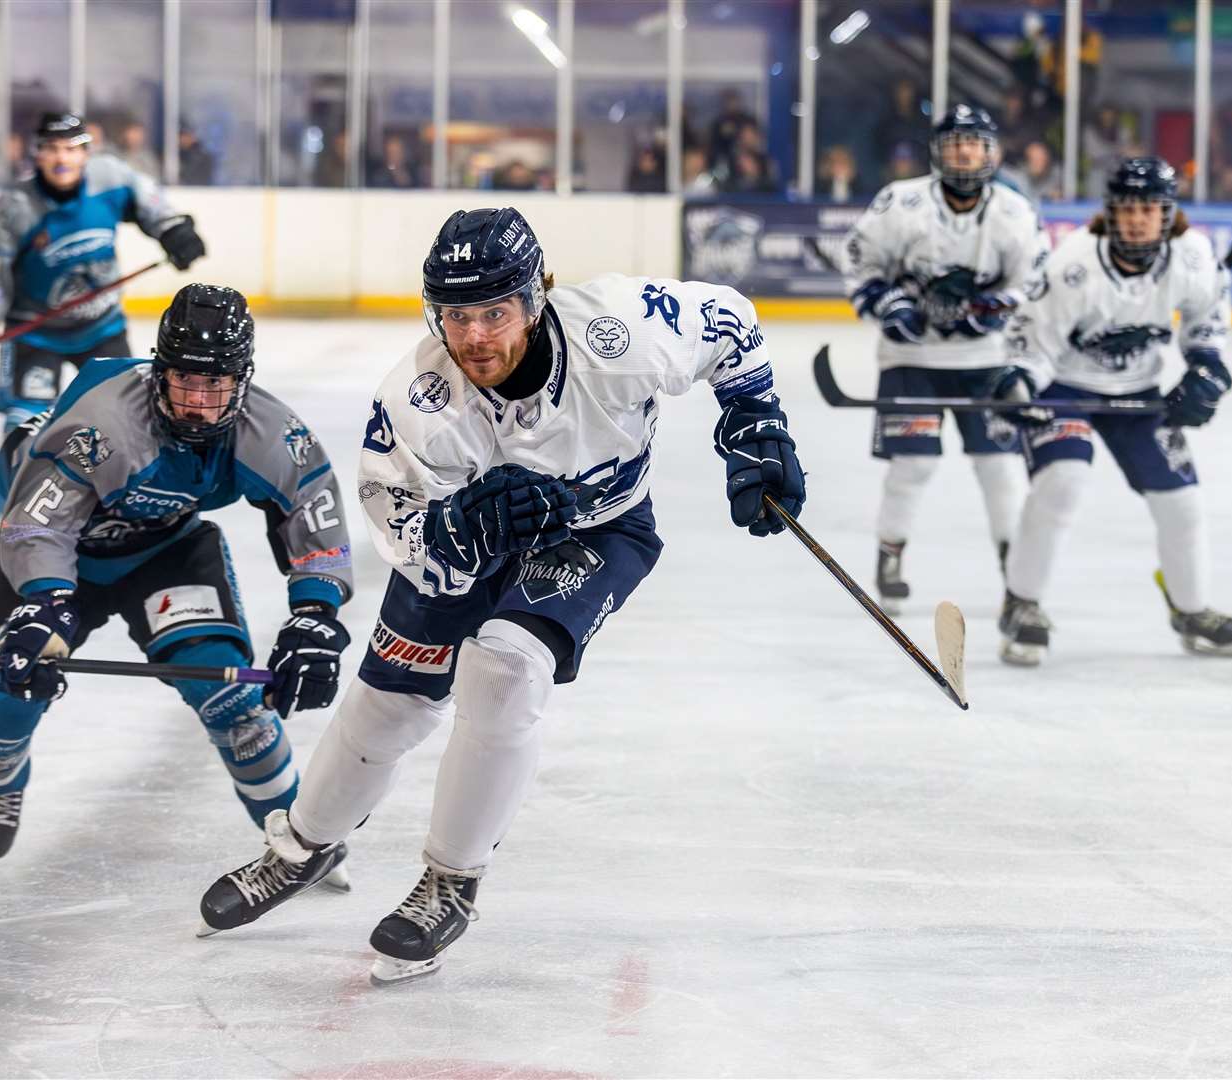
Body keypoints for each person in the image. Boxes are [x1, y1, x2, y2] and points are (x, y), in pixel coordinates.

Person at [198, 206, 807, 984]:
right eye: (456, 314)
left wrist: (754, 420)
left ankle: (450, 881)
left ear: (537, 294)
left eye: (496, 309)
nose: (477, 336)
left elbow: (730, 320)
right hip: (473, 547)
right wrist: (458, 531)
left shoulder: (621, 332)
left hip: (601, 531)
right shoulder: (417, 403)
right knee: (391, 703)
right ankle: (301, 849)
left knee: (506, 669)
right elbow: (404, 533)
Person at [0, 284, 357, 866]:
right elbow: (37, 527)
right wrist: (44, 602)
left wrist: (316, 613)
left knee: (235, 706)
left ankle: (302, 840)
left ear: (241, 380)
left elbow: (309, 506)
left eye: (214, 385)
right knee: (0, 710)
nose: (198, 403)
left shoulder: (271, 430)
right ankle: (0, 785)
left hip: (164, 552)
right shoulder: (101, 422)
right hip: (60, 561)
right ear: (158, 372)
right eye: (184, 382)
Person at [989, 157, 1232, 665]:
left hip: (1137, 393)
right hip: (1066, 387)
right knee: (1062, 482)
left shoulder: (1192, 258)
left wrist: (1205, 371)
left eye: (1149, 208)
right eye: (1128, 208)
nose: (1138, 219)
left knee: (1181, 503)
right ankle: (1022, 603)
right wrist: (1018, 384)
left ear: (1168, 213)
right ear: (1111, 212)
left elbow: (1207, 319)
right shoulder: (1074, 264)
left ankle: (1190, 607)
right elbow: (1032, 344)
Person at [842, 104, 1049, 612]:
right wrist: (890, 306)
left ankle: (1015, 573)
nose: (964, 151)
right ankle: (890, 554)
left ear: (991, 152)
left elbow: (1032, 281)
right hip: (912, 359)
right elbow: (859, 262)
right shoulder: (900, 202)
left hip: (986, 361)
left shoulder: (1013, 211)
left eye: (973, 142)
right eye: (955, 142)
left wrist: (994, 312)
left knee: (1000, 468)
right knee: (912, 465)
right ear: (938, 151)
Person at [0, 112, 206, 446]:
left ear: (86, 153)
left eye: (71, 149)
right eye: (52, 148)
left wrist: (173, 230)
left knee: (128, 424)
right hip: (34, 334)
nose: (61, 158)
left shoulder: (109, 177)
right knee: (23, 431)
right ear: (37, 153)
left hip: (102, 328)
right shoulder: (16, 206)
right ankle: (11, 495)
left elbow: (149, 202)